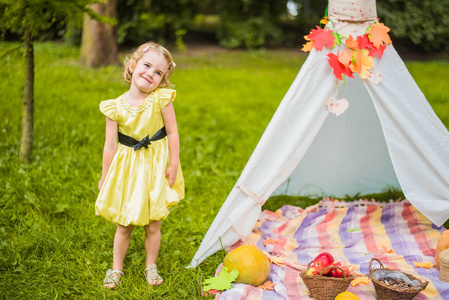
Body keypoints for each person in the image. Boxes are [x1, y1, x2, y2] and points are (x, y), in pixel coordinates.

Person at [95, 42, 184, 289]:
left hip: (155, 166)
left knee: (153, 222)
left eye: (159, 72)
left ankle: (150, 265)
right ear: (133, 65)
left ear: (163, 80)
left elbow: (173, 132)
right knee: (125, 223)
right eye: (147, 65)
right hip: (128, 170)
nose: (150, 74)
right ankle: (116, 269)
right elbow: (110, 146)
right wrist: (105, 176)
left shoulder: (161, 99)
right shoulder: (114, 107)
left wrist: (173, 163)